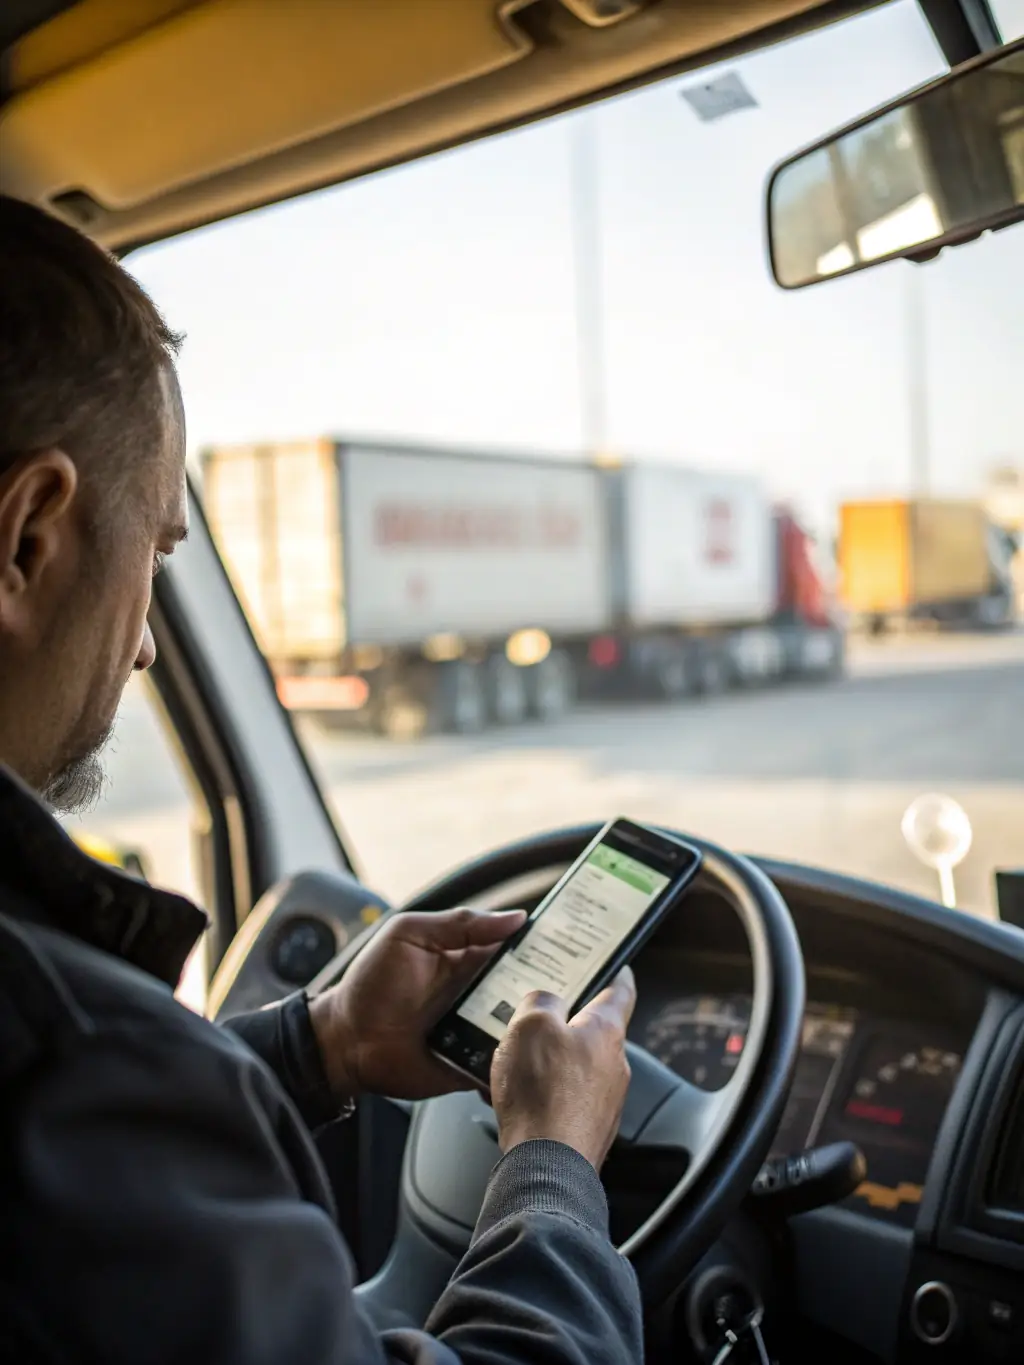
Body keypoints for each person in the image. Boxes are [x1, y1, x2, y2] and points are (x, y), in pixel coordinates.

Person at [0, 194, 643, 1365]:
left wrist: (321, 1043)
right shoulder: (66, 1064)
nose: (145, 643)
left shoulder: (74, 1085)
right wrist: (551, 1169)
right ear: (29, 536)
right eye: (153, 549)